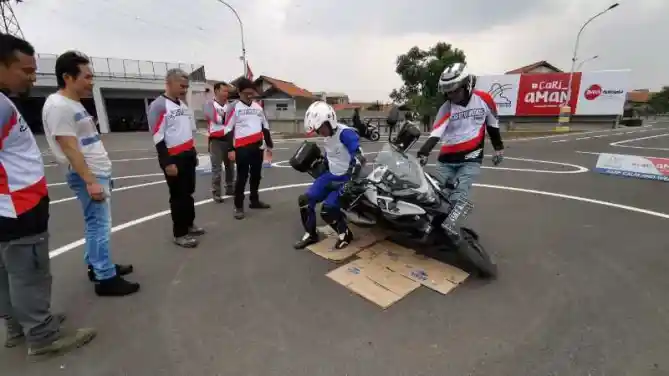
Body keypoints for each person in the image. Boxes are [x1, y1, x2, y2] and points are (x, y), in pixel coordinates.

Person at [0, 33, 96, 357]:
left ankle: (19, 326)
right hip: (18, 204)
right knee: (29, 271)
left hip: (10, 203)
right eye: (25, 69)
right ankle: (41, 335)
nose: (32, 76)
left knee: (8, 269)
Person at [42, 51, 139, 297]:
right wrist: (91, 181)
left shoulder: (73, 104)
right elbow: (69, 147)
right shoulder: (58, 106)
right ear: (67, 77)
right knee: (100, 226)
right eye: (86, 76)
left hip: (97, 172)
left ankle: (98, 267)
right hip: (88, 175)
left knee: (95, 224)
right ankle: (106, 278)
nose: (91, 81)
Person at [416, 62, 504, 204]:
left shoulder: (484, 100)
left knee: (458, 197)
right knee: (435, 198)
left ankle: (451, 225)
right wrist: (423, 152)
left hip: (471, 159)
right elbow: (436, 134)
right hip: (446, 160)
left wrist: (498, 149)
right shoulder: (446, 108)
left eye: (455, 90)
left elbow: (493, 125)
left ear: (467, 85)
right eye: (448, 92)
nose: (451, 95)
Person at [294, 101, 364, 250]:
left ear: (330, 120)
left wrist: (352, 178)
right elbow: (332, 155)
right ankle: (311, 234)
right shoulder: (328, 136)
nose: (321, 132)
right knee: (305, 200)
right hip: (331, 175)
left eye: (321, 128)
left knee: (328, 209)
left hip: (346, 177)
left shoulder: (345, 133)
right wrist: (322, 163)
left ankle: (345, 233)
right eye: (318, 130)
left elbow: (359, 156)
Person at [148, 68, 205, 248]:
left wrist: (193, 153)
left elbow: (186, 132)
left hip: (188, 154)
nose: (184, 90)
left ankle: (189, 224)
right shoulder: (158, 106)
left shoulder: (183, 106)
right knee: (178, 196)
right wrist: (167, 162)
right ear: (169, 83)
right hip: (173, 158)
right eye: (181, 86)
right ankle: (179, 233)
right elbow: (158, 137)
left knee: (188, 193)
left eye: (186, 87)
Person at [225, 78, 273, 220]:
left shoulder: (258, 107)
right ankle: (238, 206)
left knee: (256, 175)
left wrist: (269, 144)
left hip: (257, 146)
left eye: (251, 93)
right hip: (241, 147)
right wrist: (230, 149)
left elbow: (265, 126)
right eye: (246, 93)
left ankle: (254, 200)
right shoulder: (234, 107)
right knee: (242, 177)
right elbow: (228, 129)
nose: (249, 95)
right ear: (239, 92)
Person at [204, 82, 235, 202]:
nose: (226, 94)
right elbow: (218, 120)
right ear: (216, 91)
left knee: (230, 166)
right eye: (224, 91)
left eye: (227, 91)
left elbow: (233, 122)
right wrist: (228, 118)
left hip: (229, 139)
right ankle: (216, 192)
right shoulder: (209, 105)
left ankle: (230, 187)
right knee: (217, 168)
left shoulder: (230, 106)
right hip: (216, 140)